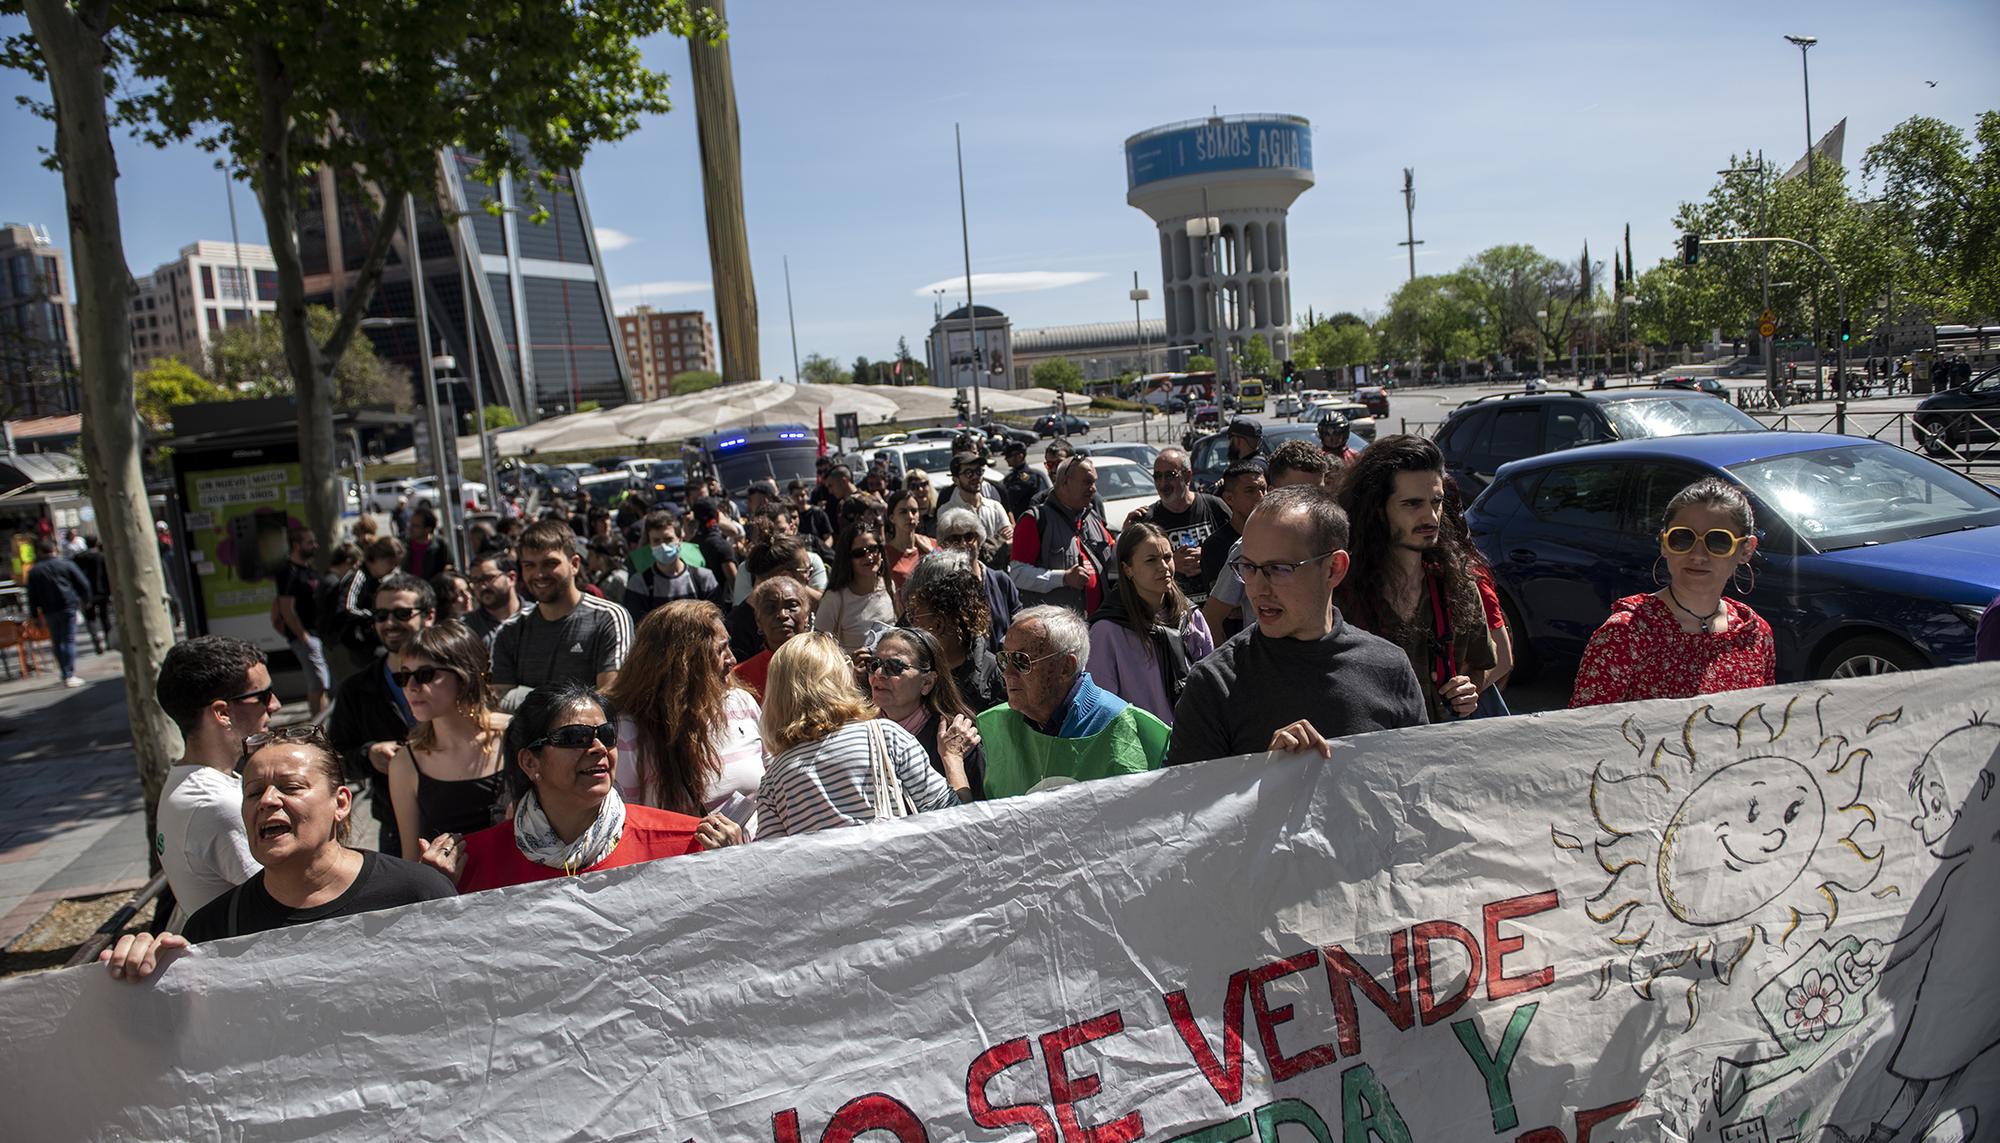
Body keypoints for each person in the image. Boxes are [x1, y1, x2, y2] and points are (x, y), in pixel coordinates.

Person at [101, 725, 456, 977]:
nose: (269, 801)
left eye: (291, 787)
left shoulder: (419, 893)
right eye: (254, 792)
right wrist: (142, 971)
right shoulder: (214, 929)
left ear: (342, 803)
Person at [1167, 485, 1429, 766]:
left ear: (1334, 568)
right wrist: (1262, 778)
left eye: (1278, 568)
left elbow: (1417, 789)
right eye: (1248, 567)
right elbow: (1186, 804)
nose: (1257, 589)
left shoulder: (1389, 667)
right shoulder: (1214, 684)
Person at [421, 681, 735, 894]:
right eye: (575, 737)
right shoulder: (465, 867)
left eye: (607, 734)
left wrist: (735, 865)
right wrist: (431, 891)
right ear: (531, 763)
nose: (599, 747)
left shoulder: (688, 846)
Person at [1570, 477, 1776, 707]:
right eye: (1682, 538)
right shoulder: (1625, 633)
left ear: (1746, 550)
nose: (1698, 555)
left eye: (1718, 541)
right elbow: (1586, 734)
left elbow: (1760, 727)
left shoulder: (1754, 633)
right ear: (1664, 544)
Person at [1331, 435, 1495, 723]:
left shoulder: (1458, 584)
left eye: (1436, 502)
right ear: (1378, 509)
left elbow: (1480, 666)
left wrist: (1469, 690)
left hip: (1442, 751)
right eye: (1412, 504)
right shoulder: (1338, 592)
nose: (1431, 517)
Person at [755, 633, 965, 837]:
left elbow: (773, 862)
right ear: (839, 678)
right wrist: (953, 760)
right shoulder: (884, 736)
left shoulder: (773, 781)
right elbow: (954, 817)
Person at [606, 601, 765, 841]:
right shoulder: (629, 735)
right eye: (720, 650)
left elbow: (773, 786)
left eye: (729, 646)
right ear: (684, 663)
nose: (732, 660)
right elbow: (625, 831)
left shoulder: (742, 704)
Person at [151, 636, 280, 930]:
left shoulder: (188, 783)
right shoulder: (217, 805)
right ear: (222, 713)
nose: (276, 705)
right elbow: (289, 895)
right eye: (263, 695)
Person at [977, 605, 1170, 798]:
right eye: (1004, 658)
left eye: (1021, 660)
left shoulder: (1120, 726)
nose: (1007, 673)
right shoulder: (995, 725)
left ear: (1066, 667)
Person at [327, 573, 435, 856]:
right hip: (395, 825)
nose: (389, 623)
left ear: (429, 615)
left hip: (463, 816)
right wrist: (368, 755)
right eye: (380, 615)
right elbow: (335, 759)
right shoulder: (356, 689)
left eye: (401, 613)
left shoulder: (457, 677)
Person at [387, 621, 512, 861]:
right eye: (404, 676)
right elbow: (412, 859)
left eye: (425, 675)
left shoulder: (515, 734)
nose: (412, 687)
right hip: (454, 894)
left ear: (465, 677)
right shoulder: (405, 763)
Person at [489, 519, 634, 706]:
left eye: (550, 563)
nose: (539, 574)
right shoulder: (510, 630)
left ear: (574, 564)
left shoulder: (608, 619)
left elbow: (610, 699)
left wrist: (526, 699)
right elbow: (500, 703)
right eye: (529, 565)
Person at [1088, 523, 1215, 725]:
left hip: (1196, 737)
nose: (1164, 567)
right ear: (1127, 569)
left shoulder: (1190, 616)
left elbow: (1211, 682)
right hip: (1142, 747)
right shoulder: (1107, 631)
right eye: (1151, 560)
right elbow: (1102, 706)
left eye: (1167, 557)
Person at [864, 626, 986, 799]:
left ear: (927, 683)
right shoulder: (857, 728)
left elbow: (975, 813)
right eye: (874, 664)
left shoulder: (956, 740)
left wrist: (951, 759)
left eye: (894, 667)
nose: (878, 674)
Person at [902, 549, 1007, 712]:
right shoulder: (911, 669)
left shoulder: (994, 679)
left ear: (938, 624)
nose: (909, 625)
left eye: (914, 615)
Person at [1009, 455, 1113, 614]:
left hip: (1097, 626)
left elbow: (1112, 556)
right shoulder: (1035, 521)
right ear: (1065, 482)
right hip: (1057, 631)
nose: (1094, 488)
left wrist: (1129, 534)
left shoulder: (1092, 518)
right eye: (1087, 482)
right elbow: (1018, 574)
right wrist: (1063, 578)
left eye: (1094, 482)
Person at [1133, 447, 1231, 605]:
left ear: (1187, 476)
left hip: (1218, 608)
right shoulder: (1147, 520)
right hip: (1174, 612)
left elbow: (1241, 549)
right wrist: (1170, 563)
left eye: (1170, 475)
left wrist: (1209, 557)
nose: (1163, 483)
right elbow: (1135, 571)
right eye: (1157, 476)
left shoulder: (1214, 507)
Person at [935, 507, 1019, 645]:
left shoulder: (1001, 581)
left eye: (969, 537)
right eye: (955, 539)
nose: (963, 544)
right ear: (944, 545)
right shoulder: (940, 588)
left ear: (979, 539)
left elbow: (1018, 622)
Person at [271, 526, 330, 715]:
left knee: (322, 684)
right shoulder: (289, 572)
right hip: (305, 636)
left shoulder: (309, 569)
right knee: (318, 682)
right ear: (296, 545)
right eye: (309, 542)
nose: (315, 546)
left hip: (317, 633)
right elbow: (286, 609)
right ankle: (318, 726)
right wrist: (303, 636)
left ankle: (323, 723)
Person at [624, 512, 723, 622]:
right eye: (656, 541)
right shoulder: (639, 584)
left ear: (680, 539)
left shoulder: (703, 579)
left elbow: (715, 622)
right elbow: (638, 628)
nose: (663, 546)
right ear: (650, 544)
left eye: (668, 539)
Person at [816, 521, 897, 653]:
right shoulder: (834, 598)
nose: (869, 556)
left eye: (873, 549)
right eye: (859, 553)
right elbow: (819, 649)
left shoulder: (889, 585)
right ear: (847, 558)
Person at [328, 536, 405, 675]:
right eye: (391, 563)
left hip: (369, 641)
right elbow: (348, 608)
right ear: (377, 558)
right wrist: (375, 615)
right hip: (357, 643)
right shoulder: (358, 576)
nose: (393, 568)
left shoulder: (374, 579)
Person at [25, 536, 93, 687]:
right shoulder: (65, 564)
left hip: (49, 609)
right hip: (67, 605)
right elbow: (83, 583)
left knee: (57, 640)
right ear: (54, 549)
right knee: (68, 639)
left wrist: (35, 615)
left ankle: (65, 672)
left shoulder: (35, 571)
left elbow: (32, 595)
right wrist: (86, 600)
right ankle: (69, 673)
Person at [734, 577, 813, 697]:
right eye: (770, 608)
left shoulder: (829, 666)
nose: (782, 615)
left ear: (806, 616)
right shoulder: (740, 677)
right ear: (758, 622)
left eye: (792, 606)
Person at [938, 451, 1012, 554]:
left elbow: (1009, 539)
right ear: (955, 480)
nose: (975, 477)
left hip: (994, 567)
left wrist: (1008, 536)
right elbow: (944, 548)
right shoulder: (946, 511)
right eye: (969, 473)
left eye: (979, 471)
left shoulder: (995, 507)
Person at [882, 487, 938, 596]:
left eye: (914, 511)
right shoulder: (884, 554)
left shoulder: (932, 544)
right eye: (903, 512)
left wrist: (933, 552)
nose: (910, 516)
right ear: (892, 518)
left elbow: (949, 571)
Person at [463, 552, 524, 643]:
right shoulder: (466, 629)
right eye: (476, 581)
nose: (482, 587)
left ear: (511, 578)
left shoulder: (537, 616)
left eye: (488, 578)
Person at [71, 534, 112, 654]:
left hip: (86, 594)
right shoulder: (102, 557)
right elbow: (107, 575)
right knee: (105, 617)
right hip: (102, 592)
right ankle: (108, 640)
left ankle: (96, 640)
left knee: (90, 618)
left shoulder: (78, 558)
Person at [689, 498, 740, 588]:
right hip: (720, 600)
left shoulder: (690, 546)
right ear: (717, 516)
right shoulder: (722, 547)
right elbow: (735, 585)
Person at [999, 439, 1049, 519]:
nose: (1006, 459)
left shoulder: (1028, 476)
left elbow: (1011, 495)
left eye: (1009, 456)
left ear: (1019, 456)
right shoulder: (1011, 476)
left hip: (1027, 519)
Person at [789, 477, 837, 560]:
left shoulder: (818, 513)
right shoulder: (789, 516)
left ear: (807, 495)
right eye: (796, 496)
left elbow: (829, 537)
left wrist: (822, 550)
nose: (800, 499)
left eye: (802, 495)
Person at [402, 506, 454, 580]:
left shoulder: (440, 545)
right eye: (410, 524)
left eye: (415, 526)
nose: (410, 528)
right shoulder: (404, 545)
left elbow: (449, 567)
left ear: (428, 529)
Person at [585, 534, 629, 604]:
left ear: (602, 558)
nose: (587, 559)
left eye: (591, 555)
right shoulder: (598, 576)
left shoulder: (618, 579)